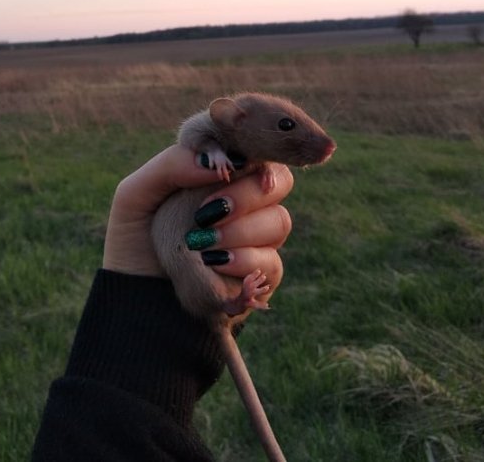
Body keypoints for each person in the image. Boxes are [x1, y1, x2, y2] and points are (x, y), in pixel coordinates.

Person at [31, 143, 294, 461]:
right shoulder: (215, 131)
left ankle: (226, 301)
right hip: (184, 261)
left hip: (190, 282)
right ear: (236, 118)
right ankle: (226, 301)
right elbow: (193, 133)